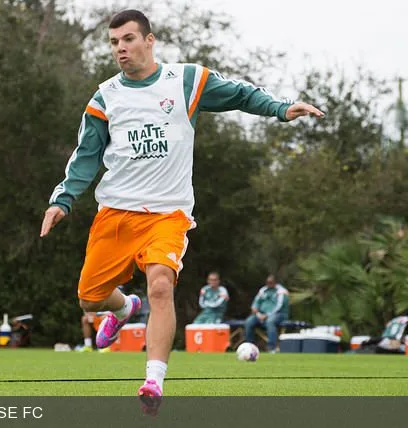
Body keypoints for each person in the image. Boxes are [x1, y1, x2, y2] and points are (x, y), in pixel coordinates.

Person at [39, 9, 323, 406]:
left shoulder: (187, 81)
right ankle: (123, 309)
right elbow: (86, 156)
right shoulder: (106, 96)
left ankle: (153, 381)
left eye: (129, 39)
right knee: (89, 299)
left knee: (160, 286)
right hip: (116, 214)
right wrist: (62, 201)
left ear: (149, 40)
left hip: (167, 215)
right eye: (114, 42)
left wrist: (280, 108)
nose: (121, 48)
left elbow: (240, 93)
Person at [244, 274, 290, 352]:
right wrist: (256, 311)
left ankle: (271, 347)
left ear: (275, 282)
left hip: (278, 314)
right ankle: (250, 347)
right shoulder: (263, 290)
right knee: (249, 321)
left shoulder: (281, 291)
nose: (269, 284)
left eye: (271, 282)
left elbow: (279, 306)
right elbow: (256, 302)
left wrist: (267, 315)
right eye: (268, 282)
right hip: (261, 314)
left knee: (270, 322)